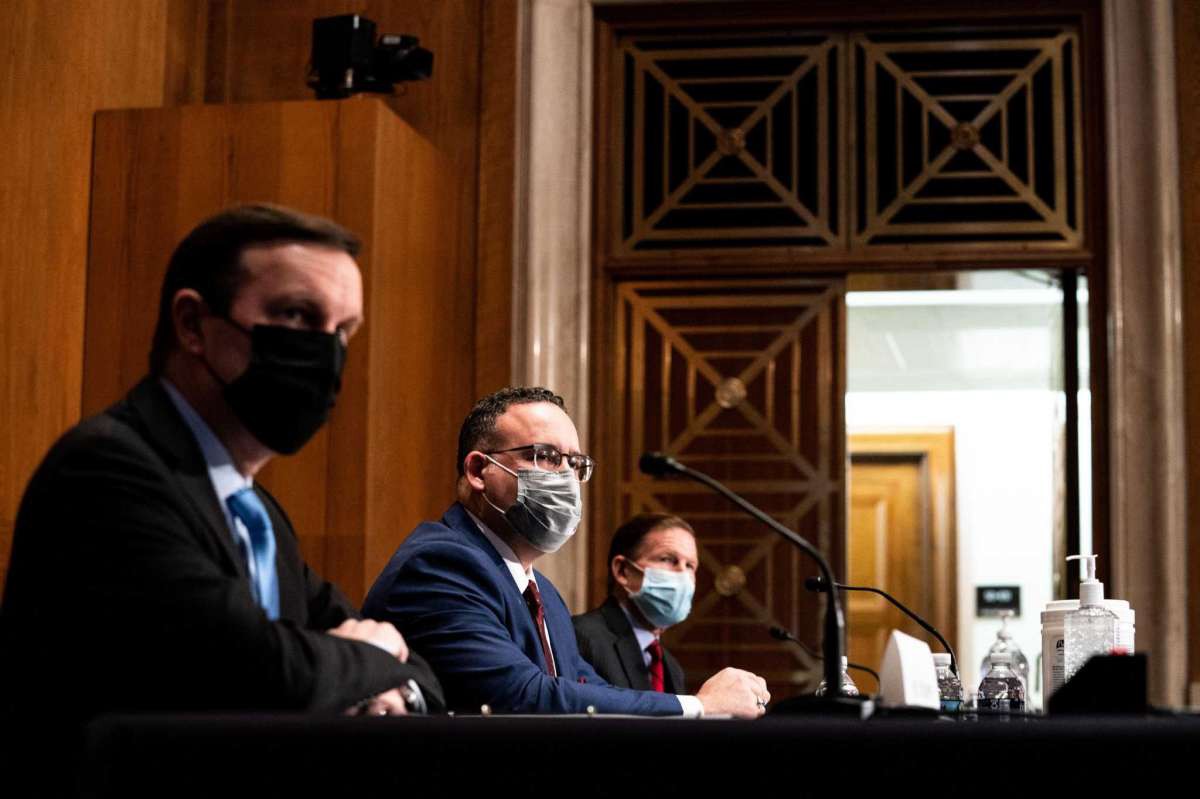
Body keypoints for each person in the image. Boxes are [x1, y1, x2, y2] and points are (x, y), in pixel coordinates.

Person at [0, 205, 443, 748]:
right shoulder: (107, 470)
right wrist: (369, 655)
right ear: (192, 324)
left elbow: (420, 670)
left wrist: (392, 688)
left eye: (343, 330)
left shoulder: (257, 513)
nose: (326, 352)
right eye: (297, 315)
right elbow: (263, 673)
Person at [362, 386, 769, 716]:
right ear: (477, 470)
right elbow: (522, 696)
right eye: (546, 457)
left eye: (575, 464)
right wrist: (699, 706)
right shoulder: (440, 565)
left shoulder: (544, 594)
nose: (567, 479)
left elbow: (588, 689)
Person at [573, 513, 696, 693]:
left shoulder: (672, 668)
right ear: (622, 571)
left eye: (690, 566)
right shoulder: (580, 637)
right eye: (667, 559)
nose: (683, 574)